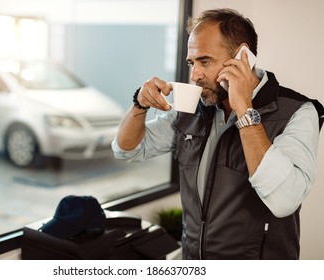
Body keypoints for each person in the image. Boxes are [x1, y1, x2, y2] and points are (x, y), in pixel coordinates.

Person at [111, 8, 324, 260]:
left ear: (243, 57)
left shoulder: (298, 112)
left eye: (205, 61)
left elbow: (284, 200)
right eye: (192, 63)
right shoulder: (195, 107)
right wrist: (139, 104)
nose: (194, 75)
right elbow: (127, 150)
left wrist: (244, 108)